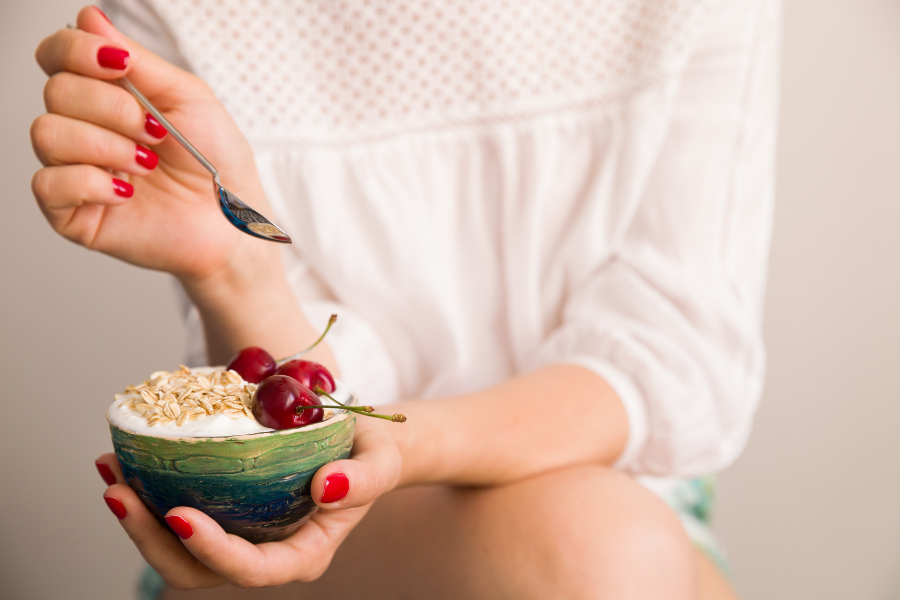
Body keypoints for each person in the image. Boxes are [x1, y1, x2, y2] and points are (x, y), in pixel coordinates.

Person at [31, 1, 778, 598]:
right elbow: (300, 414)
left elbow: (665, 360)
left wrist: (405, 445)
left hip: (615, 505)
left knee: (607, 545)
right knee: (606, 554)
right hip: (314, 512)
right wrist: (236, 271)